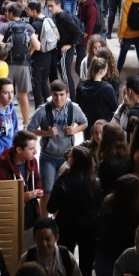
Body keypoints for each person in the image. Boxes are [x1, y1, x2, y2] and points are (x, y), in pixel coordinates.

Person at [47, 145, 102, 276]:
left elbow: (51, 207)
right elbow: (99, 206)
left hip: (66, 225)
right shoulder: (96, 182)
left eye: (70, 156)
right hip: (89, 227)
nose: (68, 158)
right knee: (86, 265)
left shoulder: (63, 180)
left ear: (74, 161)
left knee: (65, 262)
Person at [27, 80, 88, 209]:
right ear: (51, 94)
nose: (58, 98)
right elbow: (29, 128)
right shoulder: (43, 109)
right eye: (55, 95)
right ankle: (43, 219)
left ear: (67, 94)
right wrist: (45, 133)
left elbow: (84, 123)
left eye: (61, 95)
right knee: (47, 191)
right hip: (48, 157)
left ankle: (58, 219)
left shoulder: (73, 108)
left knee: (63, 192)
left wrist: (74, 130)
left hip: (67, 158)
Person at [0, 130, 44, 232]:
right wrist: (21, 198)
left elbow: (37, 180)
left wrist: (39, 189)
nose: (35, 152)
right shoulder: (0, 172)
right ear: (19, 149)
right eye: (31, 148)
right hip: (12, 222)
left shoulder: (32, 161)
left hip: (32, 215)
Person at [75, 56, 119, 127]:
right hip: (102, 125)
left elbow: (78, 104)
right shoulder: (107, 88)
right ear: (102, 71)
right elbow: (114, 107)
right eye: (106, 69)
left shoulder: (81, 85)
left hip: (86, 124)